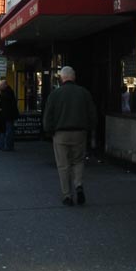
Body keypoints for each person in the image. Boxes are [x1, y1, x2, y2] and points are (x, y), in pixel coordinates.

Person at [42, 66, 97, 206]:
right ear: (74, 77)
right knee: (78, 161)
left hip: (61, 134)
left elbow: (48, 116)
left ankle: (67, 195)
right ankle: (78, 184)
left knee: (63, 165)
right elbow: (92, 114)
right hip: (80, 132)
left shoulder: (55, 94)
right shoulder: (84, 93)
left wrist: (49, 131)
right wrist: (90, 129)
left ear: (62, 78)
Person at [0, 79, 19, 151]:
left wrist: (0, 93)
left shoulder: (8, 91)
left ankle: (9, 146)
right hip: (7, 114)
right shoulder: (6, 91)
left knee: (9, 130)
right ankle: (8, 145)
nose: (0, 87)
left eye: (1, 85)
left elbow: (6, 100)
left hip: (9, 115)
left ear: (5, 85)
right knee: (8, 130)